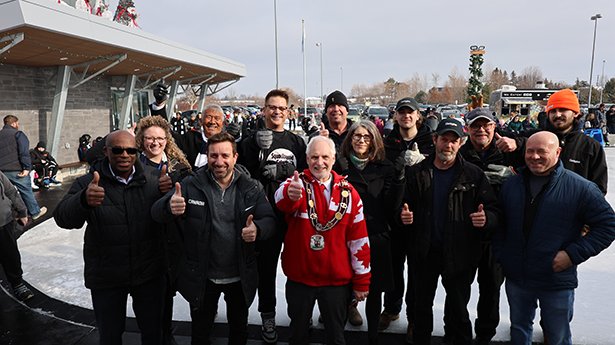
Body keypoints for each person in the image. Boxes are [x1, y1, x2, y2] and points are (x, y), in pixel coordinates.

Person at [152, 132, 276, 345]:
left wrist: (258, 229)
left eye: (225, 156)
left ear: (235, 157)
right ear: (207, 156)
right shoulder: (191, 185)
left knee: (238, 331)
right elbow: (156, 212)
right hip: (202, 277)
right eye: (213, 156)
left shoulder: (251, 187)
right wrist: (168, 206)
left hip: (239, 275)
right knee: (200, 332)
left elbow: (270, 219)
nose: (219, 162)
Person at [494, 131, 615, 345]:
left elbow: (608, 225)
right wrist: (503, 254)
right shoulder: (512, 185)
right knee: (519, 331)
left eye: (542, 151)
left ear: (558, 152)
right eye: (530, 151)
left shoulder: (580, 187)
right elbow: (501, 224)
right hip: (518, 278)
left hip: (555, 280)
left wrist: (572, 254)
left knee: (557, 336)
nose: (535, 156)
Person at [53, 130, 168, 345]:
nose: (124, 154)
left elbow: (167, 219)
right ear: (106, 151)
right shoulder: (89, 183)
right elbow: (62, 218)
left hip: (148, 274)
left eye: (130, 150)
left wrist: (167, 199)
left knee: (153, 333)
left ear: (137, 152)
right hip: (107, 276)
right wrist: (83, 201)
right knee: (110, 335)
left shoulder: (155, 180)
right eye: (117, 150)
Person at [400, 118, 498, 345]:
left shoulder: (473, 175)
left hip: (459, 255)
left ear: (461, 143)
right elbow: (402, 205)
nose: (449, 145)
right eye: (444, 139)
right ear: (435, 140)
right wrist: (403, 216)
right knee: (421, 308)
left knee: (457, 310)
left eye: (454, 141)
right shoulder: (417, 173)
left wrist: (487, 219)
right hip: (424, 253)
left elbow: (493, 208)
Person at [275, 136, 371, 345]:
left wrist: (362, 280)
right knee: (298, 334)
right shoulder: (296, 184)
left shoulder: (350, 194)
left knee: (336, 337)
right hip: (300, 280)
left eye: (325, 157)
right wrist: (291, 194)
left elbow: (359, 240)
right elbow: (281, 199)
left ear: (334, 158)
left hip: (336, 283)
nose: (320, 162)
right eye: (315, 157)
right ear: (307, 159)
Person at [237, 89, 307, 343]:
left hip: (293, 216)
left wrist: (284, 172)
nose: (276, 111)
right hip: (265, 215)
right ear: (264, 110)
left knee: (297, 267)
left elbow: (306, 176)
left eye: (281, 108)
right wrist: (259, 168)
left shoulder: (297, 142)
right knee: (266, 270)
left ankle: (300, 311)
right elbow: (241, 175)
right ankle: (268, 315)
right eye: (271, 107)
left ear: (288, 112)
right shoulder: (250, 140)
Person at [457, 108, 524, 345]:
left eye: (486, 125)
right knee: (459, 288)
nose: (481, 130)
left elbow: (541, 151)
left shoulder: (507, 152)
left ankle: (485, 335)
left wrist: (514, 169)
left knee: (491, 288)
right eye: (476, 126)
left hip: (498, 234)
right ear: (467, 129)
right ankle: (461, 333)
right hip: (464, 233)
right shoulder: (460, 153)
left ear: (495, 127)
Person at [338, 120, 404, 345]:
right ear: (350, 139)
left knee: (375, 290)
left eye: (367, 137)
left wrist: (400, 180)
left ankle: (373, 335)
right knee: (343, 285)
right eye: (357, 136)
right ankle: (341, 325)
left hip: (375, 235)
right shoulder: (341, 165)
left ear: (374, 140)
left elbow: (391, 205)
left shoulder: (385, 167)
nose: (361, 141)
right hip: (345, 235)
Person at [135, 116, 192, 345]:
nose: (155, 143)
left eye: (160, 138)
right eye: (149, 138)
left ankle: (166, 334)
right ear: (141, 140)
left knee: (167, 291)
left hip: (172, 240)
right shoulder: (132, 165)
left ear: (167, 140)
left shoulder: (180, 168)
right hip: (144, 238)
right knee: (149, 297)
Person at [380, 97, 434, 340]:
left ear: (417, 114)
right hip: (394, 212)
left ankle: (414, 316)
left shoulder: (428, 139)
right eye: (401, 112)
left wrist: (423, 163)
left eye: (409, 112)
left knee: (418, 270)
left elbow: (443, 164)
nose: (406, 116)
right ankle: (391, 309)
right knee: (393, 266)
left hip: (421, 213)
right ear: (396, 116)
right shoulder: (388, 142)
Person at [496, 89, 608, 194]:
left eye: (563, 109)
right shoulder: (534, 137)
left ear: (575, 113)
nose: (557, 114)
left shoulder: (591, 147)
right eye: (553, 111)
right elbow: (504, 135)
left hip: (573, 211)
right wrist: (516, 143)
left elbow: (599, 189)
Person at [0, 115, 47, 219]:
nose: (18, 125)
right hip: (16, 169)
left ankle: (13, 215)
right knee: (25, 190)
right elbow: (24, 152)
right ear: (13, 123)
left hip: (1, 171)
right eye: (17, 123)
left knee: (7, 193)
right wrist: (26, 168)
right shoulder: (18, 134)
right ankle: (34, 212)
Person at [0, 171, 34, 301]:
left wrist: (22, 211)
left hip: (4, 221)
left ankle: (17, 284)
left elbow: (11, 192)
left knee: (10, 255)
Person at [177, 105, 240, 170]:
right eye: (209, 117)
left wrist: (236, 134)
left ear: (223, 123)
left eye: (217, 118)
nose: (212, 122)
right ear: (201, 121)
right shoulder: (189, 139)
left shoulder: (229, 142)